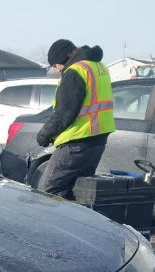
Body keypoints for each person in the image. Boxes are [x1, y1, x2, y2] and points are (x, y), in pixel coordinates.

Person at [36, 39, 115, 198]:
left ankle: (54, 222)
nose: (57, 70)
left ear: (62, 59)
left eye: (55, 65)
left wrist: (44, 135)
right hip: (98, 140)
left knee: (46, 191)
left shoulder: (75, 71)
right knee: (77, 191)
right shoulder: (99, 66)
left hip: (77, 142)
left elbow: (64, 112)